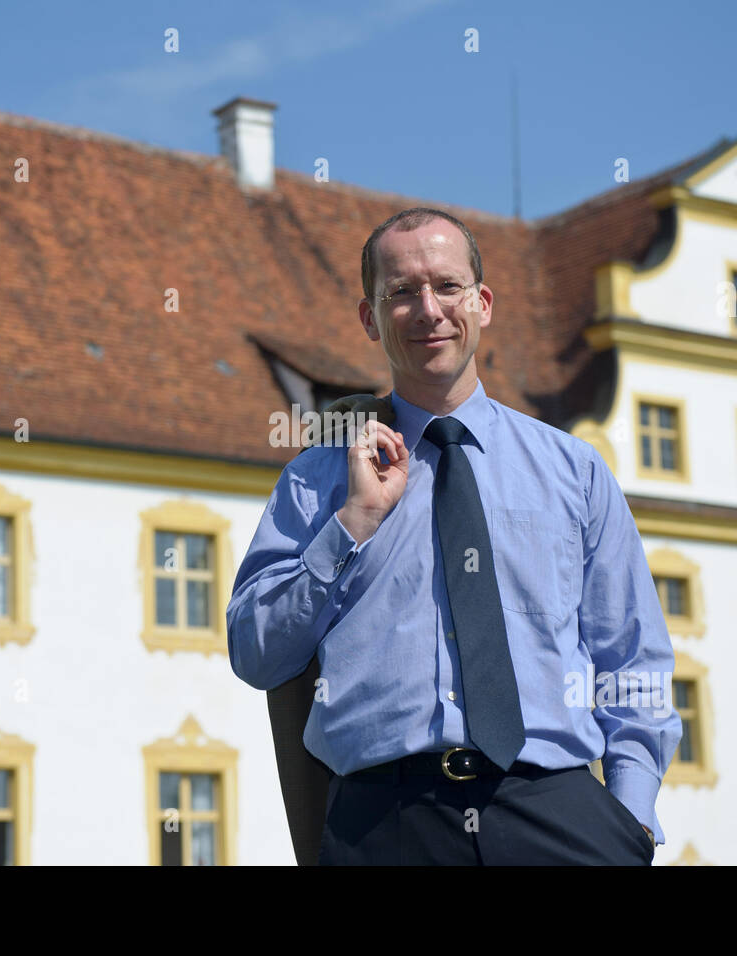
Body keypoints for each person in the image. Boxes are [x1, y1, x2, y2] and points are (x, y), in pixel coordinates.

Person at [228, 206, 682, 865]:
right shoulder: (317, 479)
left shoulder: (574, 472)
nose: (429, 310)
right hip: (385, 824)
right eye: (402, 292)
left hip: (556, 812)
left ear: (483, 302)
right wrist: (351, 524)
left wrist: (630, 821)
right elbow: (256, 652)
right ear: (370, 318)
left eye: (446, 286)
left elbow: (632, 660)